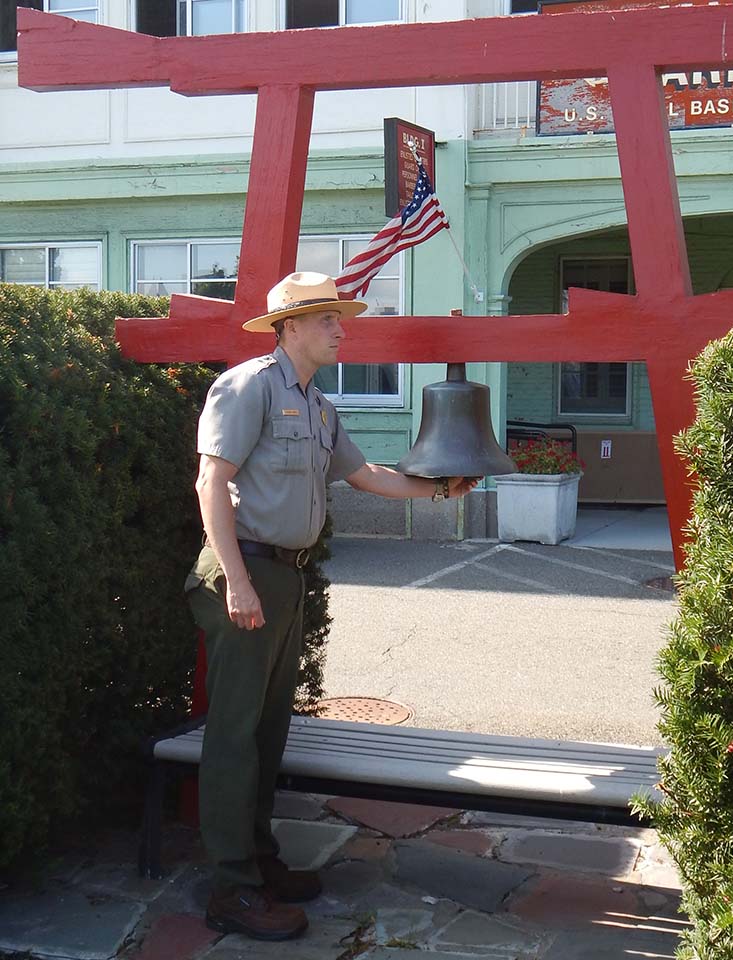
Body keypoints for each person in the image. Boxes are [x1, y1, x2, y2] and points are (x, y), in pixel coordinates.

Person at [185, 272, 475, 941]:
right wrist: (236, 580)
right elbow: (211, 481)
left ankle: (258, 863)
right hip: (245, 571)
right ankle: (231, 888)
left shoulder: (317, 406)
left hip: (283, 577)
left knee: (267, 734)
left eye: (339, 321)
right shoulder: (248, 386)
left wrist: (439, 490)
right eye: (328, 321)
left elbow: (365, 475)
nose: (342, 330)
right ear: (290, 327)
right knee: (234, 738)